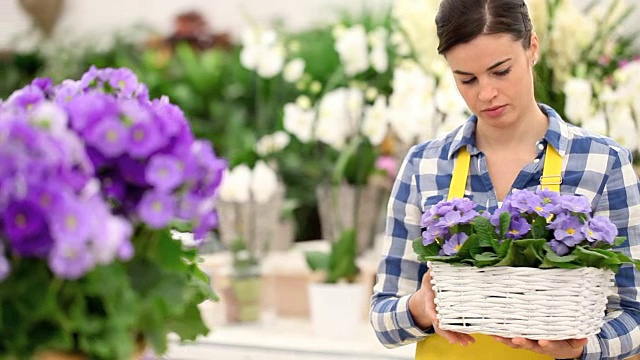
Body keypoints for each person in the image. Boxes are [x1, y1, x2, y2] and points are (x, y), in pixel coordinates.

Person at [369, 0, 640, 359]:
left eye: (501, 71)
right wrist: (421, 306)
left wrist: (580, 349)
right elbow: (383, 315)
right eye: (467, 79)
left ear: (532, 48)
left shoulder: (602, 162)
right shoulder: (424, 164)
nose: (486, 94)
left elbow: (634, 311)